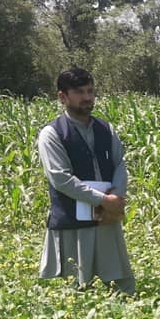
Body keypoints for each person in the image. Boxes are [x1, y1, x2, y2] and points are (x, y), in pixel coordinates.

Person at [37, 66, 135, 294]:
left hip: (106, 218)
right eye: (79, 92)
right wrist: (102, 199)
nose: (88, 97)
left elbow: (120, 164)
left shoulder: (106, 129)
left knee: (122, 286)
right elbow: (60, 178)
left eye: (90, 91)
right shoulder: (52, 134)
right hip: (72, 218)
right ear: (62, 96)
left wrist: (116, 197)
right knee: (76, 286)